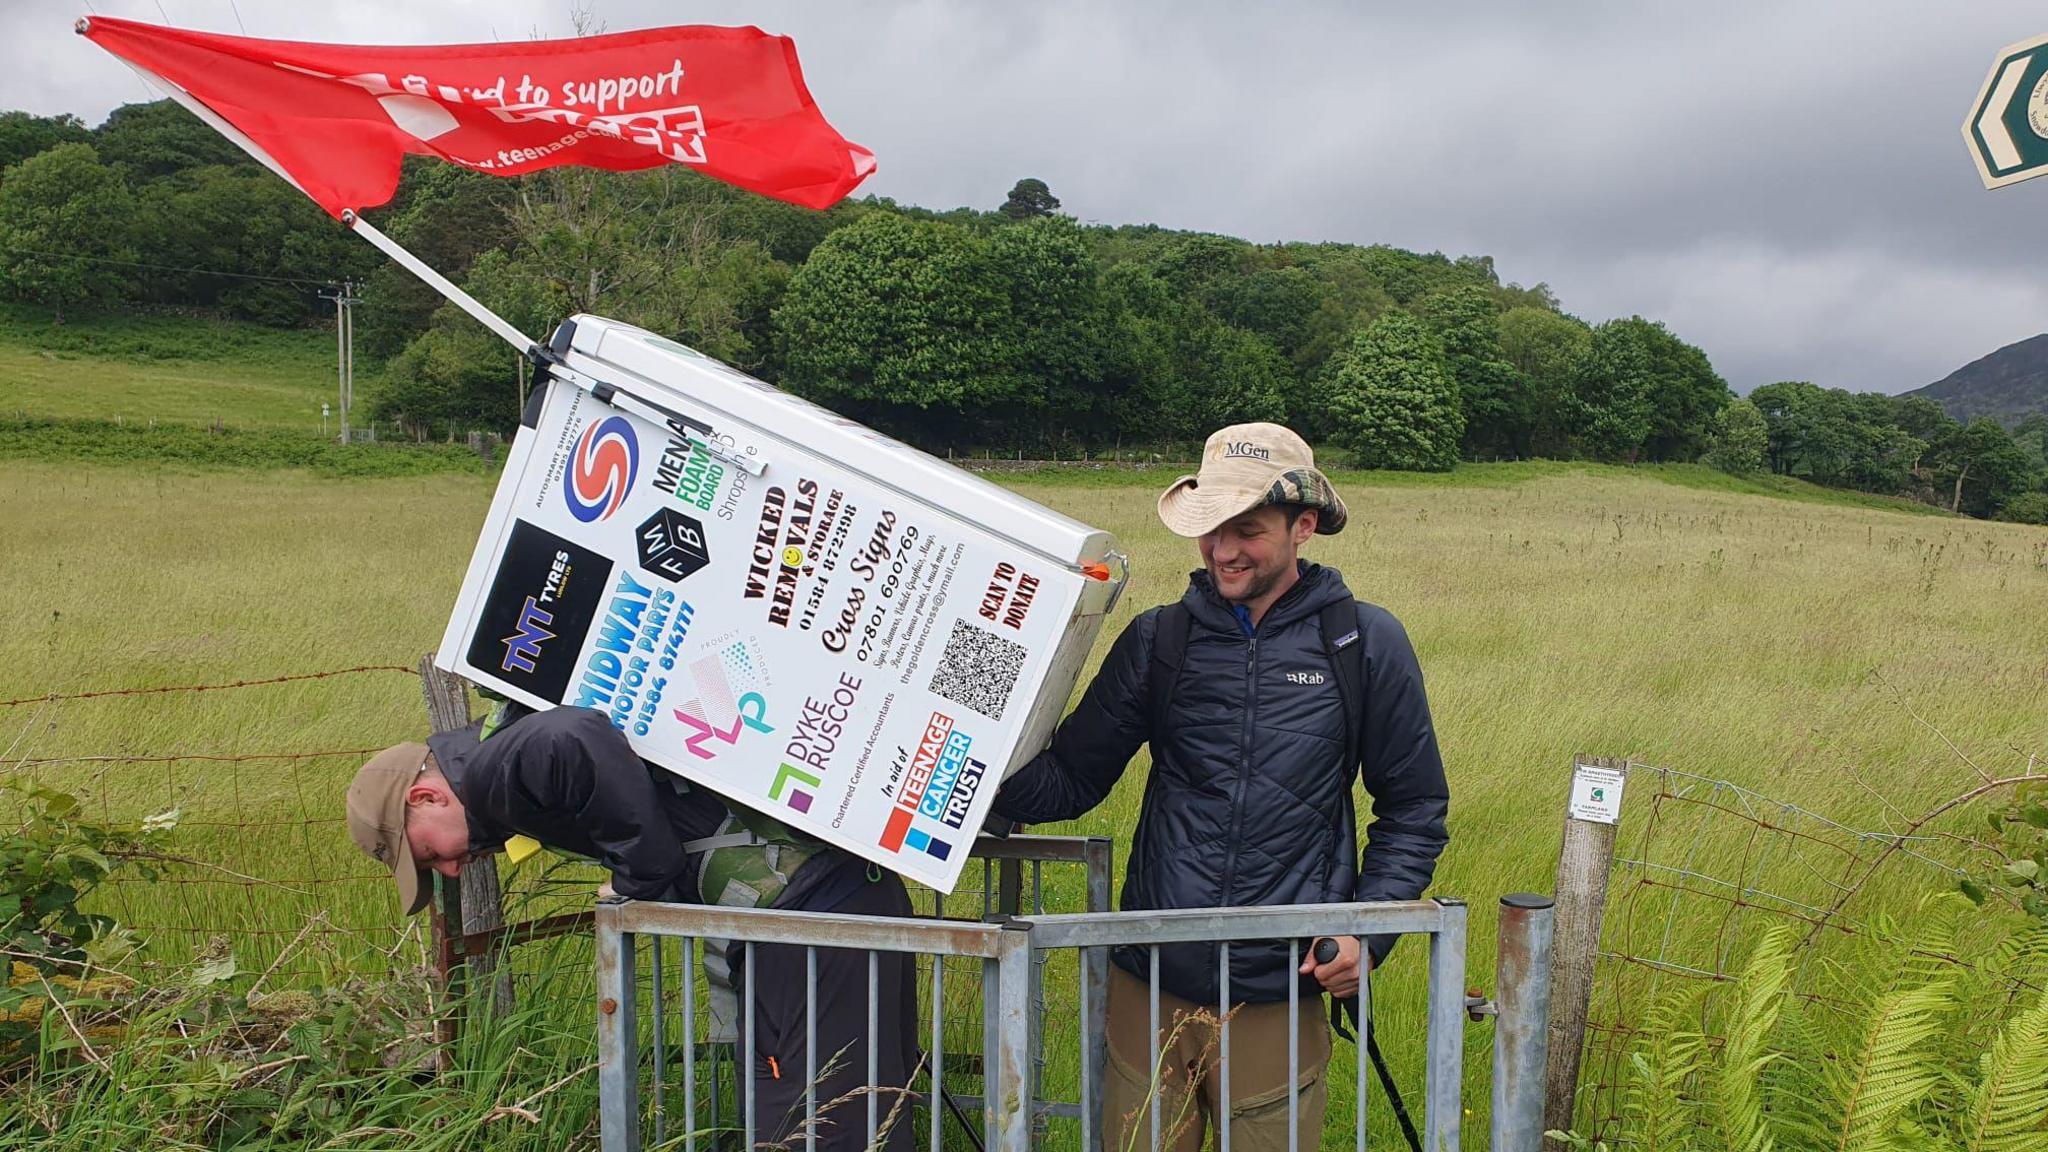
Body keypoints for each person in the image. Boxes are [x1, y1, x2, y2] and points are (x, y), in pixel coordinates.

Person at [991, 422, 1450, 1152]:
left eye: (1248, 529)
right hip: (1149, 980)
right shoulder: (1159, 640)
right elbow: (1070, 779)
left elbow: (1414, 807)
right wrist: (955, 768)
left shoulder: (1362, 644)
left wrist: (1369, 933)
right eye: (1210, 529)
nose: (1223, 550)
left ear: (1304, 527)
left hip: (1279, 988)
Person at [346, 702, 917, 1152]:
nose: (449, 868)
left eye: (429, 854)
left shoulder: (495, 770)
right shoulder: (501, 754)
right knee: (864, 1103)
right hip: (833, 902)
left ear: (425, 796)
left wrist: (638, 878)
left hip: (807, 919)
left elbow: (576, 737)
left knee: (809, 1111)